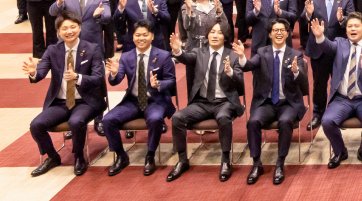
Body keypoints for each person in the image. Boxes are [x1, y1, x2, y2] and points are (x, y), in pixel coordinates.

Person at [24, 11, 105, 177]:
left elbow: (98, 78)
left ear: (79, 28)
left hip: (85, 101)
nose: (69, 31)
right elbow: (40, 73)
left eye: (73, 27)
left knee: (76, 122)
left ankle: (79, 157)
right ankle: (52, 157)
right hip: (60, 102)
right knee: (36, 125)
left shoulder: (92, 49)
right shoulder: (52, 50)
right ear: (58, 32)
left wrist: (78, 77)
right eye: (64, 28)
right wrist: (33, 72)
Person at [167, 21, 245, 182]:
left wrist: (231, 72)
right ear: (207, 35)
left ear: (225, 37)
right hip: (201, 103)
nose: (215, 35)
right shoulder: (199, 52)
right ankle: (182, 160)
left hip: (224, 102)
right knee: (177, 118)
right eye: (212, 32)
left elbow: (241, 83)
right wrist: (178, 51)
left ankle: (225, 160)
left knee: (224, 117)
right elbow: (186, 58)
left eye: (219, 32)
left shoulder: (232, 56)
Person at [307, 11, 362, 169]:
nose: (353, 29)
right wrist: (320, 37)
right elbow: (327, 46)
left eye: (356, 26)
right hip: (342, 99)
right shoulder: (339, 43)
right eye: (349, 26)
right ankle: (340, 151)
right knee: (327, 121)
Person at [234, 19, 307, 185]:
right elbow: (248, 66)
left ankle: (280, 163)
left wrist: (296, 72)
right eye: (275, 30)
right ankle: (256, 164)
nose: (279, 33)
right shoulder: (262, 52)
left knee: (285, 121)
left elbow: (303, 84)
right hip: (266, 103)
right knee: (253, 122)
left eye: (282, 30)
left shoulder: (296, 55)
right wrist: (242, 57)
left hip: (288, 102)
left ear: (287, 33)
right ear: (270, 34)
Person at [102, 20, 176, 176]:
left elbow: (171, 81)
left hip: (156, 101)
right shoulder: (126, 56)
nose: (141, 38)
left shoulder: (163, 56)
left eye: (145, 35)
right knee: (108, 120)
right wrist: (114, 73)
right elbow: (116, 81)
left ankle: (150, 155)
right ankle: (121, 156)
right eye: (137, 35)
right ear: (133, 37)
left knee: (155, 119)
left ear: (152, 36)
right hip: (133, 101)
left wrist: (158, 84)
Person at [300, 0, 354, 130]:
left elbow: (353, 21)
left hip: (339, 49)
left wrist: (342, 19)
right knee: (319, 84)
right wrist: (308, 15)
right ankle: (318, 113)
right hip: (318, 49)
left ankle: (339, 113)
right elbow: (302, 20)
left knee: (340, 83)